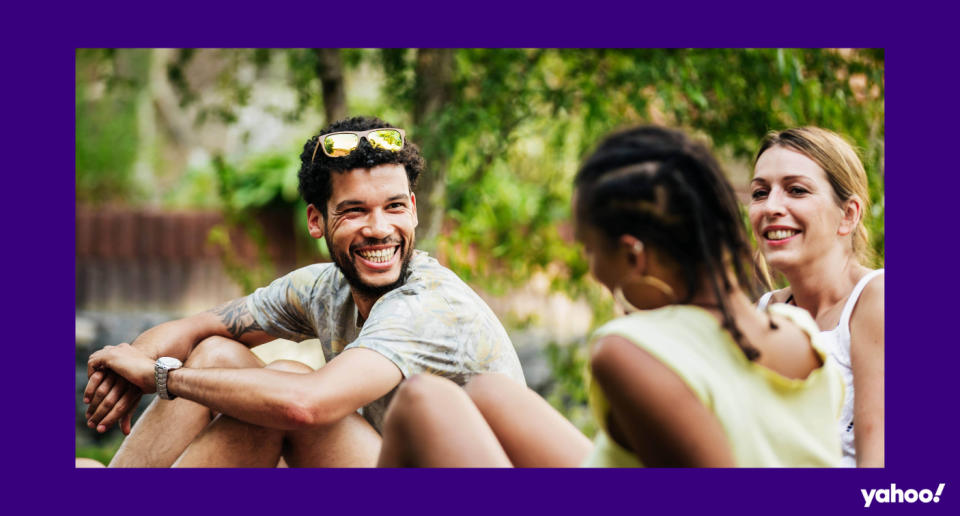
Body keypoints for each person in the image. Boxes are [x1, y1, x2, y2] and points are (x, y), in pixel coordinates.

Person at [376, 125, 844, 467]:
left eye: (589, 249)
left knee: (423, 401)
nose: (592, 269)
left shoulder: (632, 351)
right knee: (488, 390)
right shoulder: (798, 330)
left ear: (633, 256)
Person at [83, 116, 525, 467]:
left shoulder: (428, 305)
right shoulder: (323, 288)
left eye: (393, 206)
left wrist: (161, 378)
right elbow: (199, 327)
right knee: (220, 354)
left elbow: (304, 407)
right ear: (316, 220)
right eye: (354, 211)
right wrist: (132, 360)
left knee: (284, 389)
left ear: (412, 208)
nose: (379, 229)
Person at [750, 127, 884, 467]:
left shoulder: (876, 300)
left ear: (848, 215)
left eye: (796, 190)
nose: (771, 206)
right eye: (760, 192)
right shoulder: (762, 313)